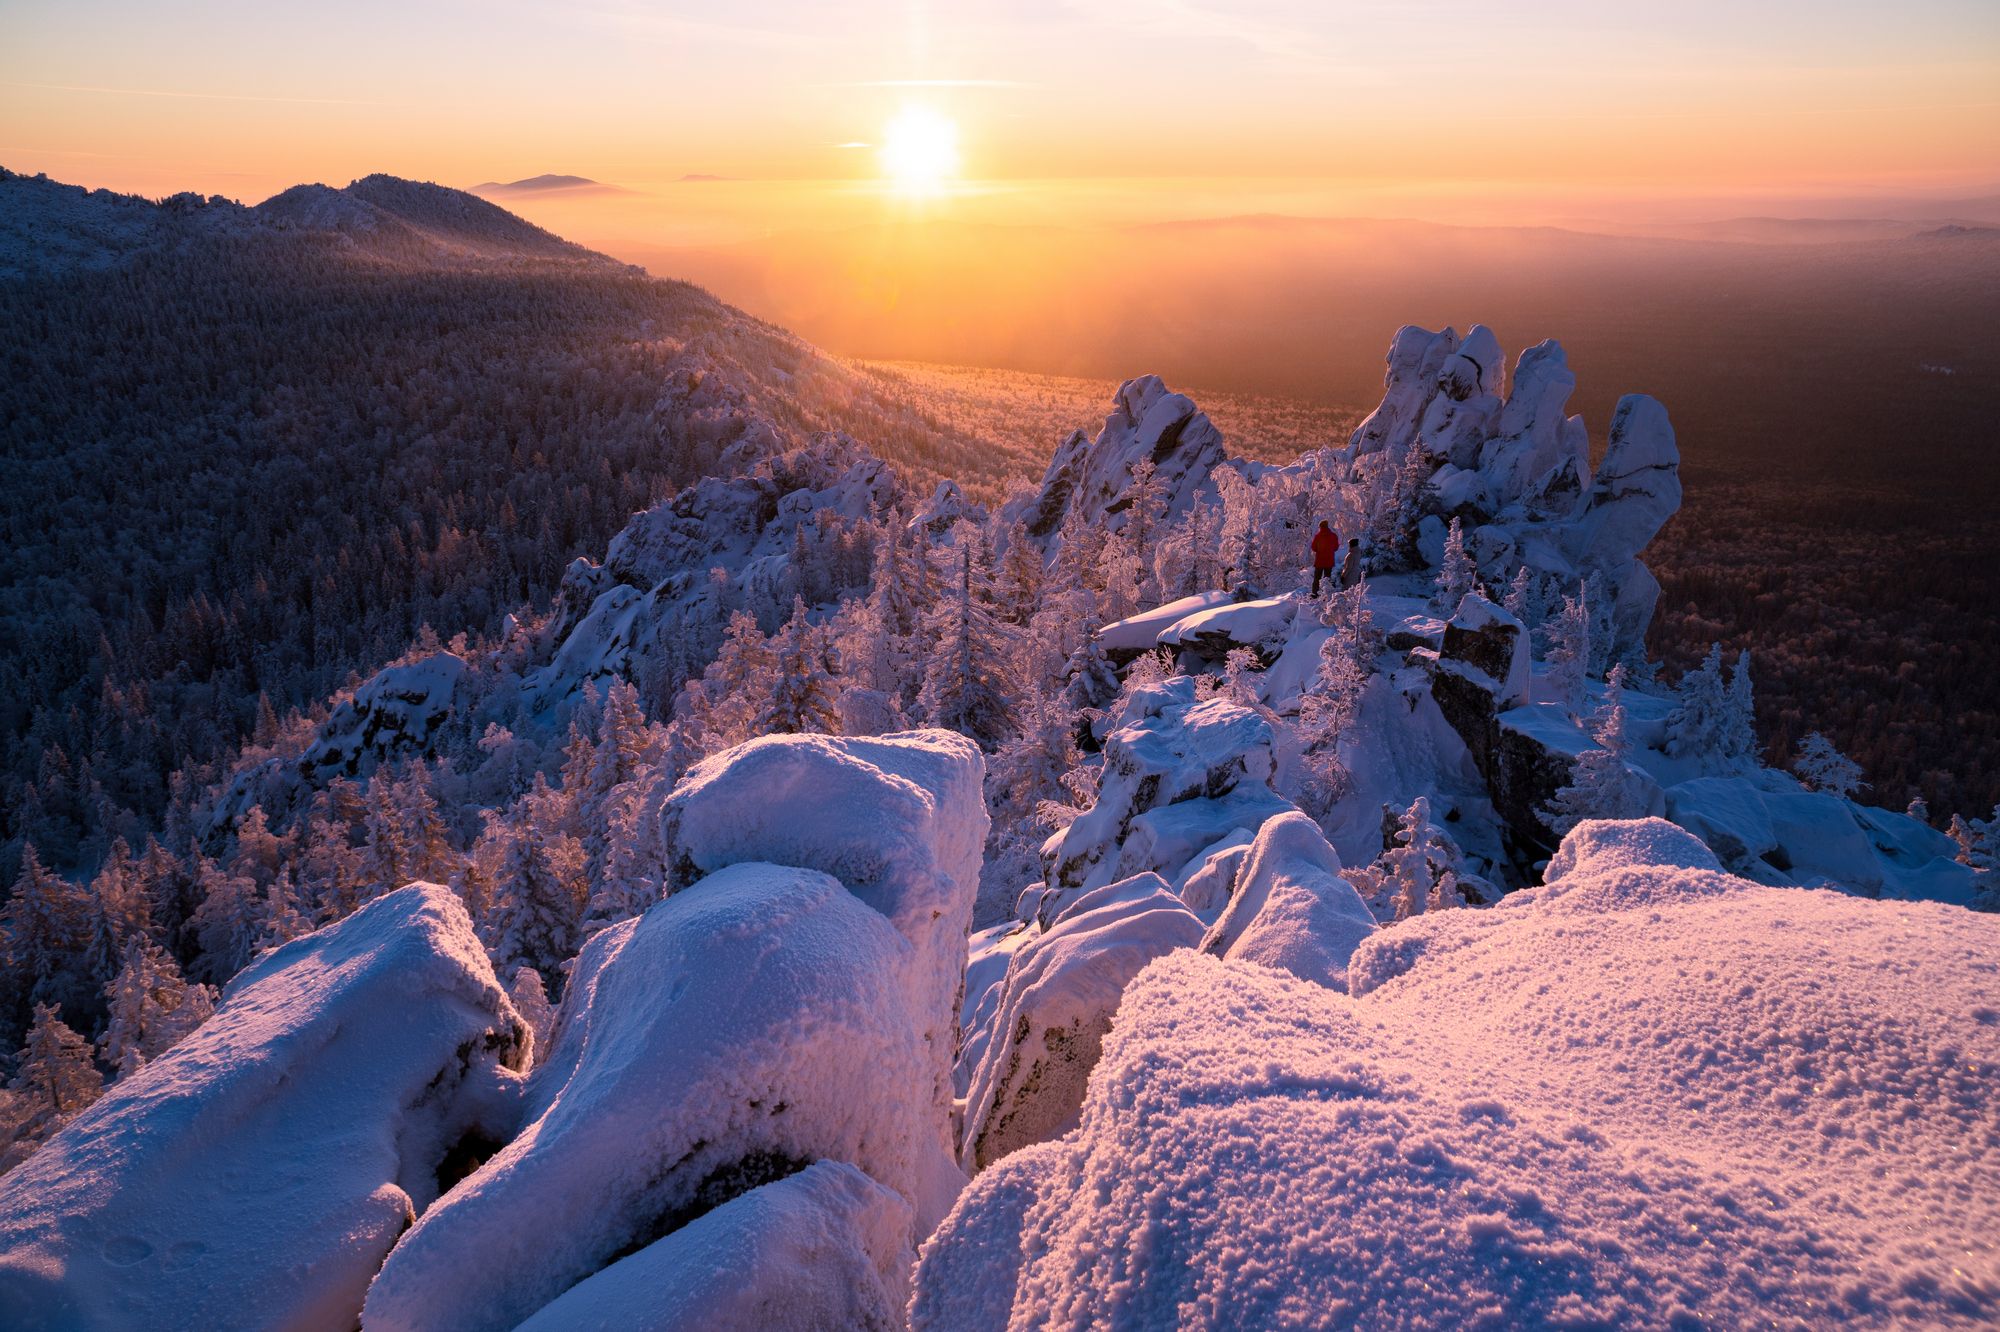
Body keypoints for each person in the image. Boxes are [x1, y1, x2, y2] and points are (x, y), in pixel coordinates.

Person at [1310, 521, 1339, 597]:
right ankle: (1326, 594)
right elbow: (1336, 547)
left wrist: (1319, 550)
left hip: (1319, 561)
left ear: (1320, 527)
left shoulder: (1318, 536)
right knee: (1327, 578)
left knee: (1317, 578)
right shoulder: (1333, 536)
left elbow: (1313, 547)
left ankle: (1315, 594)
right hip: (1329, 561)